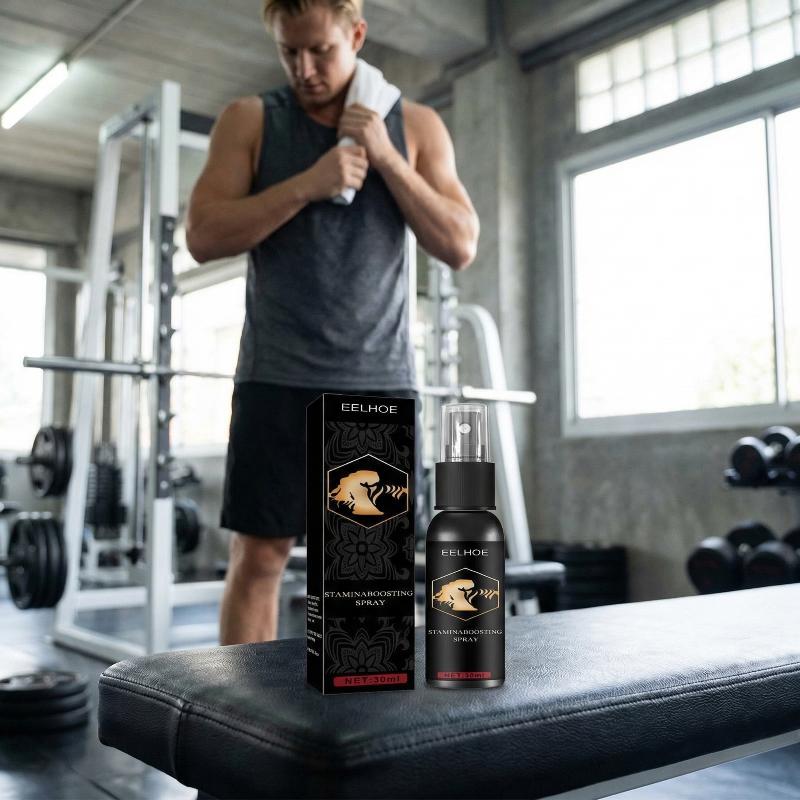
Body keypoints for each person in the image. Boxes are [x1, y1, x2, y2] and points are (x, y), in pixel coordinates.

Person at [186, 0, 479, 645]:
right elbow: (203, 235)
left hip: (375, 378)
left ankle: (354, 708)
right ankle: (243, 705)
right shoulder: (251, 119)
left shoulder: (416, 124)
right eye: (289, 51)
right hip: (276, 375)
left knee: (362, 571)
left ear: (357, 35)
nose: (304, 68)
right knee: (259, 559)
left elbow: (460, 243)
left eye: (320, 50)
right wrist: (307, 183)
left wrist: (387, 157)